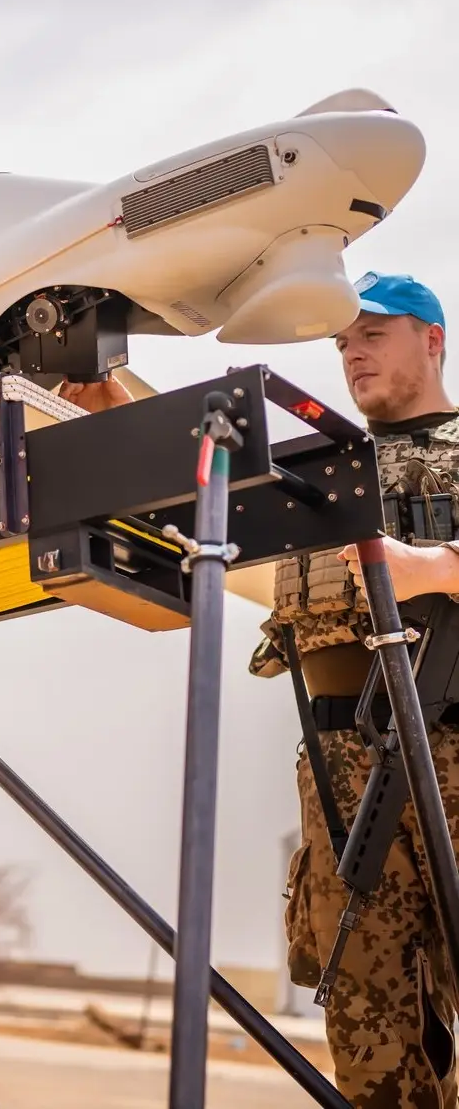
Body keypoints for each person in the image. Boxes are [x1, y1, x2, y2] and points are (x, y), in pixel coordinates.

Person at [249, 272, 459, 1106]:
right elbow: (191, 484)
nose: (352, 353)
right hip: (341, 772)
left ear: (431, 339)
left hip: (454, 754)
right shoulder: (320, 472)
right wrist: (105, 396)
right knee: (371, 1027)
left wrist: (432, 567)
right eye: (341, 342)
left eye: (372, 333)